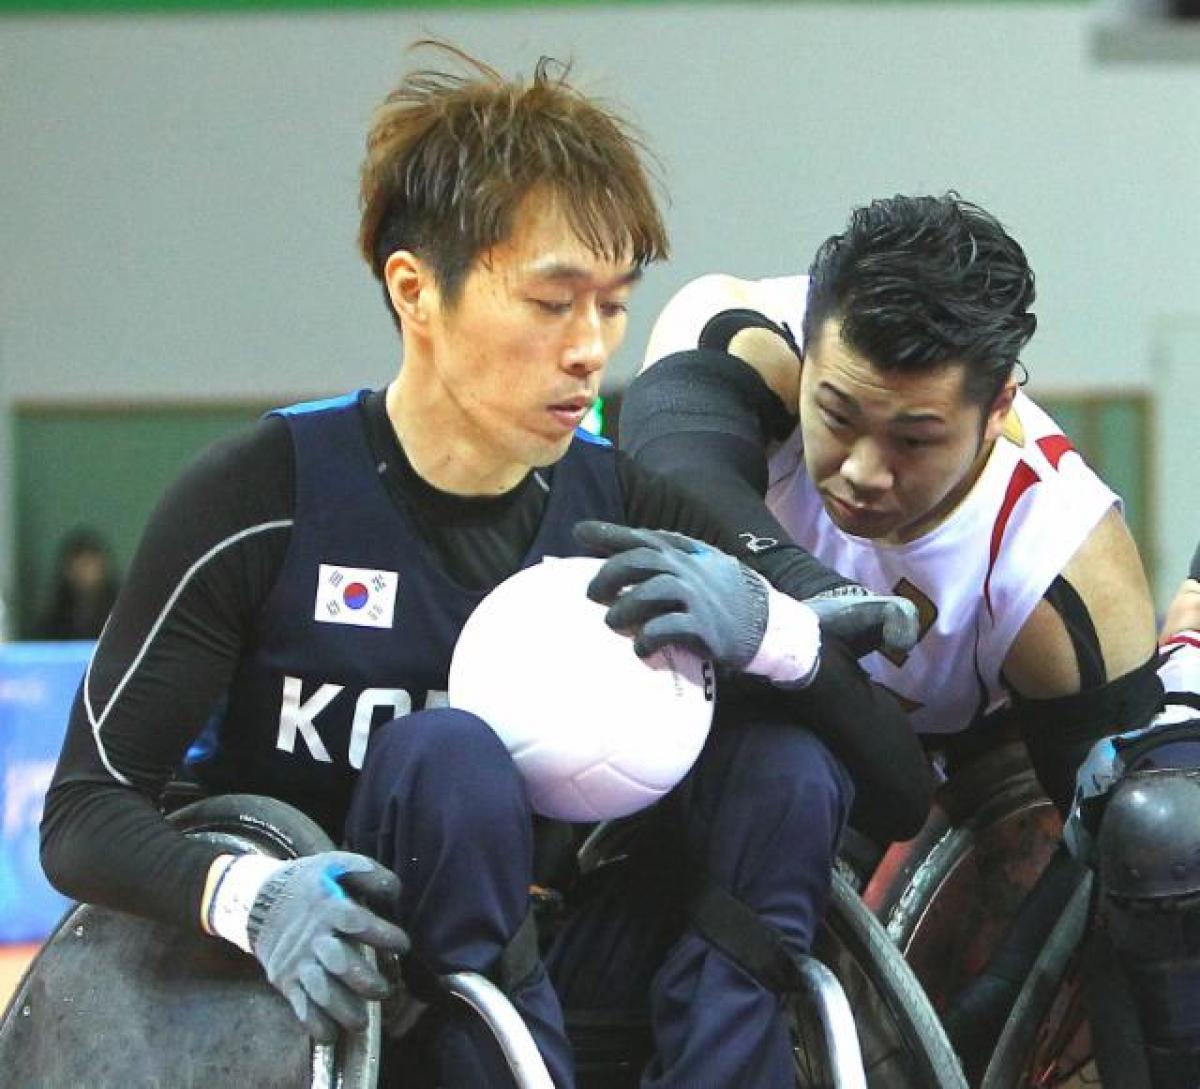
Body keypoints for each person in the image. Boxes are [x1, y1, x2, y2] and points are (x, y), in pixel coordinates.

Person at [39, 46, 931, 1089]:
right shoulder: (258, 494)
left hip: (577, 963)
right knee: (449, 761)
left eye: (613, 304)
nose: (593, 348)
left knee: (782, 760)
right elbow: (84, 815)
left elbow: (901, 793)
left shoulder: (631, 504)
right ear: (416, 291)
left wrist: (778, 638)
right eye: (555, 303)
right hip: (341, 985)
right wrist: (248, 898)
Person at [617, 193, 1187, 1083]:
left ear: (999, 405)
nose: (861, 472)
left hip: (958, 773)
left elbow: (1109, 870)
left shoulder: (1062, 564)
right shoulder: (742, 330)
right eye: (837, 415)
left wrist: (977, 1018)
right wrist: (810, 598)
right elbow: (662, 469)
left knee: (1161, 834)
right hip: (721, 731)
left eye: (915, 438)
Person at [37, 527, 120, 640]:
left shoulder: (120, 616)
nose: (84, 572)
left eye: (89, 564)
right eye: (79, 564)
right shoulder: (54, 620)